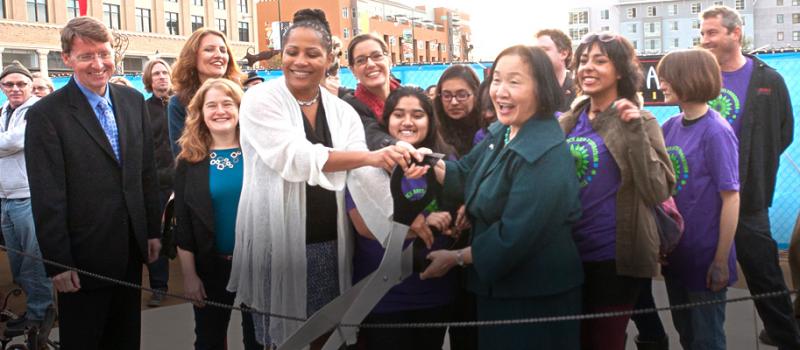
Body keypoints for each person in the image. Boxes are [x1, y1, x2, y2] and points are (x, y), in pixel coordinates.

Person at [227, 9, 416, 349]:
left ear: (329, 59)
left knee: (327, 339)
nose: (300, 61)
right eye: (292, 52)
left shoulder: (342, 111)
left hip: (332, 246)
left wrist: (406, 222)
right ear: (281, 55)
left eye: (312, 53)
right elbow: (295, 157)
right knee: (280, 341)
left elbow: (365, 178)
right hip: (278, 245)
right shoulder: (259, 99)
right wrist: (371, 156)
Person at [415, 45, 584, 350]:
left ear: (541, 88)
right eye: (496, 80)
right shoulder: (503, 132)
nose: (500, 91)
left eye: (515, 82)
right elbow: (464, 173)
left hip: (534, 297)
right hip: (500, 290)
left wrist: (455, 258)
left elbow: (514, 237)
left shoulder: (544, 153)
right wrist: (424, 160)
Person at [24, 16, 161, 350]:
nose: (98, 64)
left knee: (126, 340)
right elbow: (47, 194)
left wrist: (152, 232)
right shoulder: (46, 115)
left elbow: (146, 171)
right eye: (86, 56)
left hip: (129, 252)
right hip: (81, 262)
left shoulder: (131, 102)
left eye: (104, 53)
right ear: (67, 58)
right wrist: (58, 263)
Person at [560, 32, 675, 350]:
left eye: (600, 60)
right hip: (568, 254)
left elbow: (657, 189)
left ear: (621, 71)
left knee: (604, 341)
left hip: (615, 257)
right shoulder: (569, 121)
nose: (588, 68)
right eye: (583, 61)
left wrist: (634, 130)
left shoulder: (642, 120)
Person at [700, 6, 797, 348]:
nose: (705, 39)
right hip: (703, 196)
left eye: (712, 32)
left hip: (749, 195)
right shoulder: (701, 76)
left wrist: (754, 166)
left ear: (735, 33)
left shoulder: (768, 80)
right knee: (700, 275)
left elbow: (784, 131)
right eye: (703, 33)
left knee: (764, 271)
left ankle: (786, 337)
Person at [349, 87, 456, 350]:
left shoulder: (445, 162)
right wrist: (425, 223)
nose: (408, 122)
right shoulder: (368, 164)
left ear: (430, 121)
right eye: (399, 114)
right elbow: (363, 226)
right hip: (382, 295)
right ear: (386, 121)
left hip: (434, 291)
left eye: (417, 115)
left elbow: (459, 217)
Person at [657, 48, 740, 350]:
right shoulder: (669, 127)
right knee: (687, 336)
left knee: (707, 340)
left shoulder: (716, 131)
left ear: (688, 79)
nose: (661, 83)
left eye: (667, 78)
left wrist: (720, 260)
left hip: (705, 258)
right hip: (677, 255)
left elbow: (731, 198)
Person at [174, 78, 259, 350]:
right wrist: (189, 275)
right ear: (201, 113)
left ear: (240, 109)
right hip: (210, 267)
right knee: (209, 341)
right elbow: (184, 225)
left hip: (257, 266)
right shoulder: (188, 161)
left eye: (227, 103)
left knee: (259, 341)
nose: (219, 111)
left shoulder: (259, 154)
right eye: (211, 105)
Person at [0, 61, 54, 333]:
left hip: (28, 197)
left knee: (34, 262)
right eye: (9, 84)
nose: (15, 88)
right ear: (2, 87)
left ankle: (40, 314)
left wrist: (7, 142)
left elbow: (14, 142)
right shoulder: (3, 112)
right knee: (18, 263)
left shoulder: (36, 111)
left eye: (21, 83)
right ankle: (36, 309)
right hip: (5, 198)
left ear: (31, 86)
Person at [168, 28, 242, 156]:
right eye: (209, 49)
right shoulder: (178, 103)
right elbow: (182, 154)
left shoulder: (244, 97)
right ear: (192, 57)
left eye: (223, 50)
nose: (218, 55)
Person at [142, 58, 175, 307]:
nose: (162, 76)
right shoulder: (142, 109)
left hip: (184, 180)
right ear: (149, 80)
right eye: (156, 74)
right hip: (156, 183)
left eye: (165, 72)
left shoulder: (183, 105)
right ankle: (159, 287)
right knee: (156, 234)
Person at [342, 33, 402, 151]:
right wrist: (399, 146)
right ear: (353, 70)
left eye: (377, 56)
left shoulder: (411, 96)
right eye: (361, 60)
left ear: (389, 61)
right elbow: (372, 135)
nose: (370, 64)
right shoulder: (348, 107)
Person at [433, 65, 483, 158]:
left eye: (462, 95)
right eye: (447, 96)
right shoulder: (432, 129)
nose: (454, 102)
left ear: (476, 94)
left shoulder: (487, 130)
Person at [535, 28, 575, 111]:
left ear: (563, 54)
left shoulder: (580, 90)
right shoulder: (530, 89)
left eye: (544, 50)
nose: (537, 55)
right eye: (535, 51)